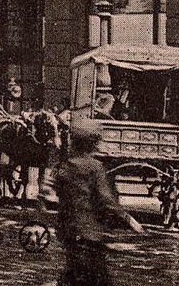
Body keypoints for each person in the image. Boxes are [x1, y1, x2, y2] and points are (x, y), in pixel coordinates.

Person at [53, 121, 142, 286]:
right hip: (89, 231)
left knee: (73, 272)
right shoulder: (94, 167)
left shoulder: (63, 166)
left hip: (67, 229)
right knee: (98, 277)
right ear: (91, 144)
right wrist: (129, 219)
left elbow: (56, 187)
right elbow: (106, 199)